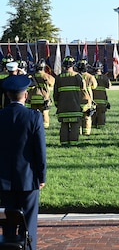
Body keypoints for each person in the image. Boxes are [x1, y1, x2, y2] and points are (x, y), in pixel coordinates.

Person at [0, 75, 47, 250]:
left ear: (7, 95)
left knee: (8, 221)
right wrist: (42, 176)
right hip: (28, 178)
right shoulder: (33, 117)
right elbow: (40, 150)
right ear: (25, 95)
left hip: (3, 179)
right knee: (29, 222)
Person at [53, 56, 86, 146]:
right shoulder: (78, 77)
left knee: (64, 125)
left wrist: (57, 104)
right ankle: (73, 143)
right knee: (75, 125)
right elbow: (84, 91)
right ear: (73, 65)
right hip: (75, 106)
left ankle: (64, 142)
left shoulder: (59, 77)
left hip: (62, 107)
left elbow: (55, 93)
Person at [28, 59, 55, 128]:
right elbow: (52, 83)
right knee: (44, 113)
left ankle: (33, 126)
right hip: (44, 99)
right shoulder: (47, 76)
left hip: (33, 99)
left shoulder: (31, 76)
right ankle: (45, 126)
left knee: (33, 114)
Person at [77, 59, 98, 136]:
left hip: (77, 99)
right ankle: (86, 132)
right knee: (87, 116)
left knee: (78, 117)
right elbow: (94, 86)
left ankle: (78, 132)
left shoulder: (75, 76)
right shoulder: (90, 77)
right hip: (87, 99)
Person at [92, 61, 111, 128]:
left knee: (92, 116)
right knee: (101, 116)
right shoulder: (104, 78)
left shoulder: (91, 77)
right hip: (102, 101)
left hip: (92, 102)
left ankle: (93, 127)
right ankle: (101, 128)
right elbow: (109, 86)